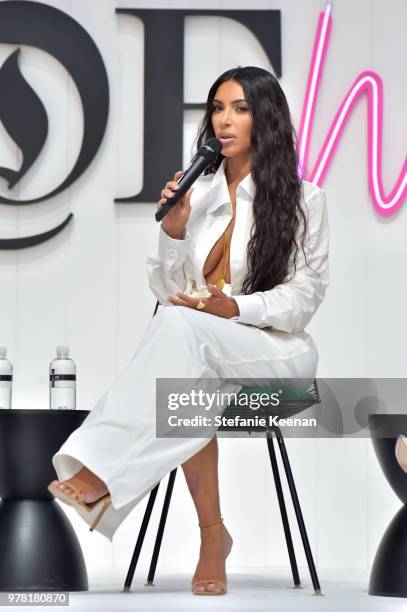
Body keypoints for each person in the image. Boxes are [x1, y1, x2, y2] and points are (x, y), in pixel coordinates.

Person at [48, 66, 329, 596]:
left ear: (265, 120)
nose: (224, 120)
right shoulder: (196, 193)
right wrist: (174, 236)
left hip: (277, 353)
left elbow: (303, 298)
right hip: (202, 346)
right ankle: (211, 536)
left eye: (240, 109)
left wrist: (236, 310)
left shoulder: (303, 200)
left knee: (185, 340)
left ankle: (101, 476)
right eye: (217, 108)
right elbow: (170, 291)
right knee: (187, 380)